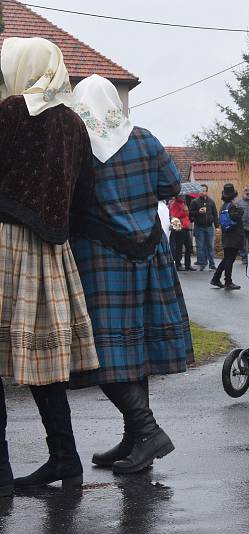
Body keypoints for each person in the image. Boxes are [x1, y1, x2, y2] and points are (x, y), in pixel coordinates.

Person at [68, 74, 193, 474]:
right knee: (131, 350)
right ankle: (136, 436)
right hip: (149, 255)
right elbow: (171, 184)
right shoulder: (144, 138)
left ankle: (147, 431)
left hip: (100, 258)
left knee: (104, 351)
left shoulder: (78, 144)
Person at [0, 37, 100, 492]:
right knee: (44, 367)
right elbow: (85, 198)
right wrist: (59, 234)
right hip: (52, 253)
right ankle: (66, 458)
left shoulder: (9, 113)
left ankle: (0, 471)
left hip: (3, 242)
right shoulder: (75, 125)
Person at [211, 184, 245, 289]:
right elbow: (236, 217)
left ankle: (216, 278)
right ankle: (228, 281)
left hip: (226, 235)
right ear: (233, 196)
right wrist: (241, 210)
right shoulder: (232, 206)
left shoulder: (223, 206)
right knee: (230, 260)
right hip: (233, 236)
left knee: (226, 259)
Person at [189, 184, 218, 271]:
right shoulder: (195, 202)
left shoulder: (211, 202)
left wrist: (217, 226)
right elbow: (190, 214)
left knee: (210, 246)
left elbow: (215, 215)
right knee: (200, 246)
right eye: (201, 190)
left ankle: (212, 264)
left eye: (205, 190)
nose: (203, 192)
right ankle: (202, 264)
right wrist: (198, 212)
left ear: (207, 191)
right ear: (199, 191)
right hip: (199, 226)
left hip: (209, 226)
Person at [168, 195, 194, 271]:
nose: (184, 197)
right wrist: (183, 211)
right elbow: (174, 215)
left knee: (189, 246)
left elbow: (187, 214)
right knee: (179, 247)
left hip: (185, 226)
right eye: (182, 196)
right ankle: (178, 264)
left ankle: (187, 265)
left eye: (184, 196)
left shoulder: (183, 203)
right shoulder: (175, 204)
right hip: (179, 227)